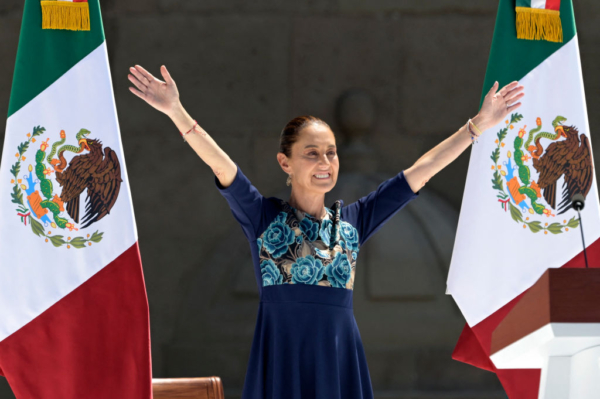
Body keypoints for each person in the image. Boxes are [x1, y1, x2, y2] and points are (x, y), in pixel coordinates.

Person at [128, 64, 523, 399]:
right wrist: (176, 111)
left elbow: (422, 170)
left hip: (339, 365)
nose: (325, 162)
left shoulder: (353, 222)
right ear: (285, 162)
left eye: (331, 152)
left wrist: (478, 126)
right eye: (312, 153)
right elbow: (221, 164)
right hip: (281, 363)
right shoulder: (263, 218)